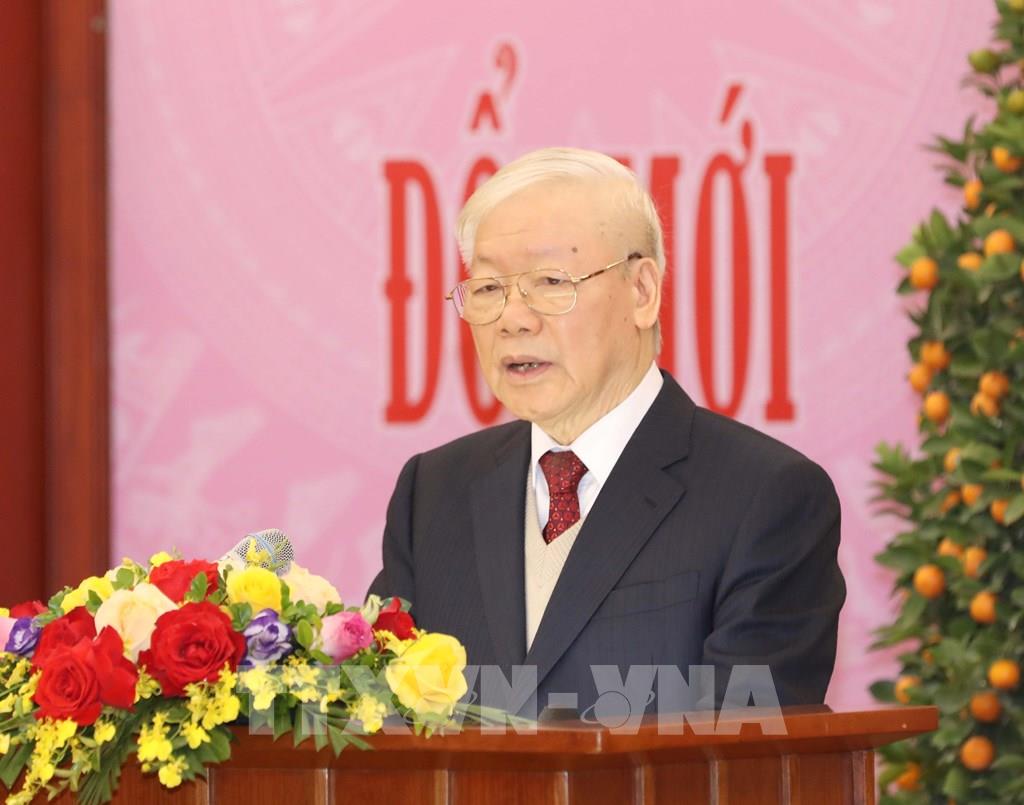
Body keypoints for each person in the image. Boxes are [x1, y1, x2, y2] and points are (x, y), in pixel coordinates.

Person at [368, 147, 845, 718]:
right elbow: (379, 721)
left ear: (642, 291)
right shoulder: (433, 492)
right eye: (490, 288)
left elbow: (745, 751)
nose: (513, 319)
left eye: (550, 281)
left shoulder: (765, 496)